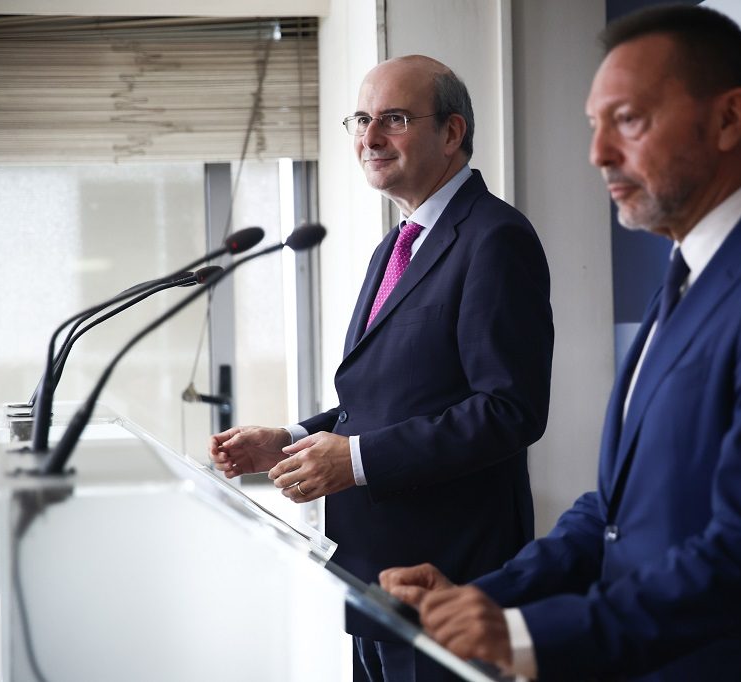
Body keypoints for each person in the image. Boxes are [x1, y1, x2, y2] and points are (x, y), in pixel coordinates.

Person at [380, 6, 741, 681]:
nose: (598, 154)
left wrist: (528, 635)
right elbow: (615, 512)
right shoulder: (687, 273)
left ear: (729, 119)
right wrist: (485, 597)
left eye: (628, 121)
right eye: (595, 125)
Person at [209, 55, 554, 682]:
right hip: (372, 575)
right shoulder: (395, 245)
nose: (369, 138)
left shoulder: (495, 238)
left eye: (393, 119)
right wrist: (289, 440)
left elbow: (510, 411)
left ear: (451, 132)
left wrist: (357, 459)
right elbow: (382, 398)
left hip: (448, 578)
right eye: (361, 120)